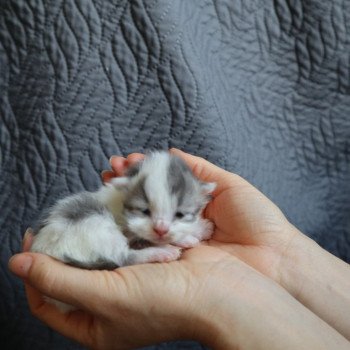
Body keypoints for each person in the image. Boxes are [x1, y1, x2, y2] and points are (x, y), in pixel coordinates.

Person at [8, 149, 350, 350]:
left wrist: (280, 251)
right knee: (104, 229)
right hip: (72, 243)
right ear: (124, 193)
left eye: (179, 215)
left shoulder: (180, 204)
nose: (162, 229)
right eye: (144, 211)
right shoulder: (107, 206)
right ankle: (129, 258)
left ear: (202, 197)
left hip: (74, 258)